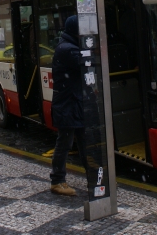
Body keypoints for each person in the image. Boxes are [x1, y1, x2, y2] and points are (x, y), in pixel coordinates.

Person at [50, 15, 87, 196]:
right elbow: (88, 63)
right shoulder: (68, 50)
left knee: (83, 142)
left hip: (72, 104)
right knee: (65, 143)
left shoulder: (69, 46)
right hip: (68, 105)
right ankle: (57, 181)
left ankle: (94, 176)